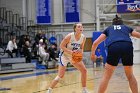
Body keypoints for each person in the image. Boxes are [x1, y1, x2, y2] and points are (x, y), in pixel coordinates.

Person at [91, 15, 140, 93]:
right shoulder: (126, 27)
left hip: (114, 46)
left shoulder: (109, 29)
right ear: (122, 23)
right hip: (127, 46)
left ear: (113, 23)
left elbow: (95, 43)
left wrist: (93, 54)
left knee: (106, 76)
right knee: (130, 75)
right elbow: (138, 35)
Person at [46, 23, 89, 93]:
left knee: (84, 71)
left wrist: (80, 53)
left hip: (73, 56)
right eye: (79, 26)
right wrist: (71, 52)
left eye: (82, 27)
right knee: (61, 75)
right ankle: (49, 90)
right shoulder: (69, 36)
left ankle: (84, 90)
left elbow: (81, 48)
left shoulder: (83, 37)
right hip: (64, 56)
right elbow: (61, 46)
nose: (81, 28)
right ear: (75, 29)